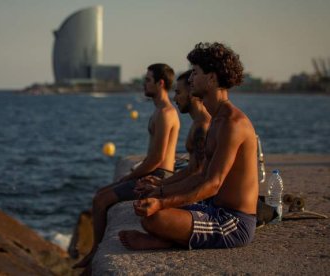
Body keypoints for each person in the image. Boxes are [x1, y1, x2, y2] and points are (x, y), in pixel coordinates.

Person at [119, 42, 259, 250]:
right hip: (212, 208)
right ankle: (170, 238)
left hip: (233, 222)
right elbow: (200, 175)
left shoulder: (232, 123)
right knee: (148, 202)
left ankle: (163, 242)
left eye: (195, 73)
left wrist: (162, 202)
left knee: (154, 219)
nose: (190, 78)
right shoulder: (217, 118)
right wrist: (160, 190)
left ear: (211, 78)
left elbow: (213, 183)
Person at [74, 63, 180, 270]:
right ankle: (94, 249)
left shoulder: (166, 114)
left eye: (147, 80)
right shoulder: (160, 111)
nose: (143, 84)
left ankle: (95, 251)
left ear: (160, 83)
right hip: (155, 170)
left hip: (160, 174)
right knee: (101, 194)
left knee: (100, 200)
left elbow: (157, 158)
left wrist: (128, 178)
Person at [134, 70, 211, 198]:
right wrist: (161, 183)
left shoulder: (202, 128)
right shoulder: (197, 123)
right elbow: (191, 169)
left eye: (178, 92)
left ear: (192, 93)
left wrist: (160, 190)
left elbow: (198, 176)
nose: (174, 98)